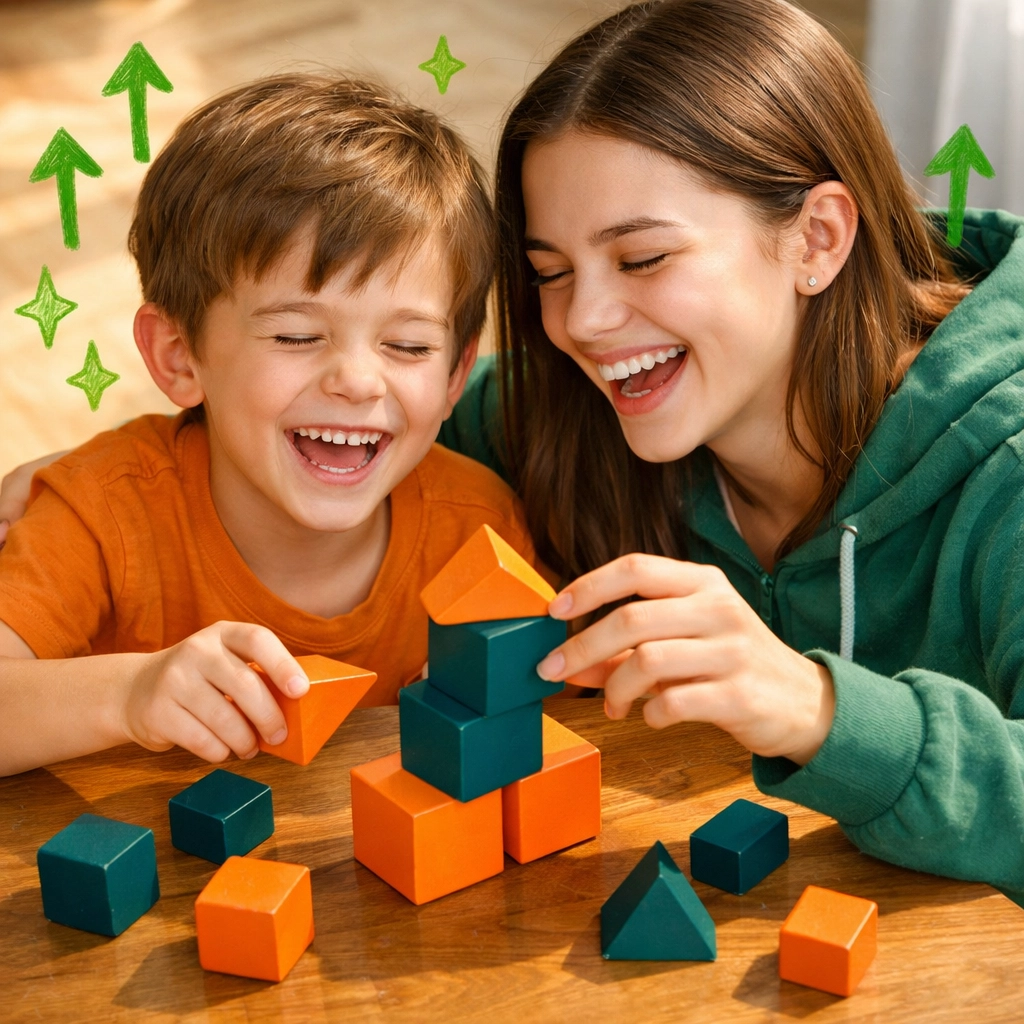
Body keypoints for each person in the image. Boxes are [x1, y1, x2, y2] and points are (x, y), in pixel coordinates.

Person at [439, 0, 1024, 896]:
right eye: (550, 273)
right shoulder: (564, 416)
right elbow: (362, 423)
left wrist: (818, 711)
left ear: (815, 239)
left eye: (640, 260)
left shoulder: (1007, 471)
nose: (581, 323)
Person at [0, 73, 538, 777]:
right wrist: (130, 693)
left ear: (454, 376)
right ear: (178, 355)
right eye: (294, 336)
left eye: (408, 346)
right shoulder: (98, 511)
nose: (356, 380)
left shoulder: (480, 527)